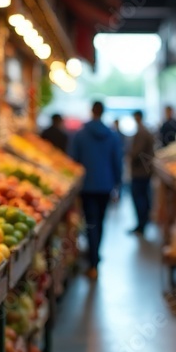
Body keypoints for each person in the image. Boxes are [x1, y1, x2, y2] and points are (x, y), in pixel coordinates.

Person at [71, 101, 122, 279]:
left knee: (90, 221)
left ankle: (92, 260)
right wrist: (118, 185)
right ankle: (95, 256)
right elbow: (118, 162)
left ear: (91, 111)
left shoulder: (80, 135)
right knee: (100, 221)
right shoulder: (113, 136)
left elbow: (72, 162)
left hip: (87, 186)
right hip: (106, 186)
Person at [128, 110, 155, 235]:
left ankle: (141, 224)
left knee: (139, 197)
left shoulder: (141, 133)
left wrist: (129, 155)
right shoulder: (145, 131)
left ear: (138, 117)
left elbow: (136, 153)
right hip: (145, 171)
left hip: (140, 172)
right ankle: (143, 222)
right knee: (144, 196)